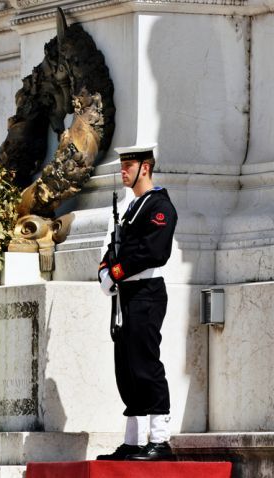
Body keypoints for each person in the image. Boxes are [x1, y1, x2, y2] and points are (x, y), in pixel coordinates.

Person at [96, 144, 178, 461]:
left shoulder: (159, 206)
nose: (123, 170)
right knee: (126, 368)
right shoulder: (132, 207)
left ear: (145, 167)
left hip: (146, 292)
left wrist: (115, 272)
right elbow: (116, 248)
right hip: (127, 294)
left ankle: (159, 440)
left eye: (128, 165)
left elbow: (153, 253)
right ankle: (133, 441)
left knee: (145, 364)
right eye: (122, 165)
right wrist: (105, 270)